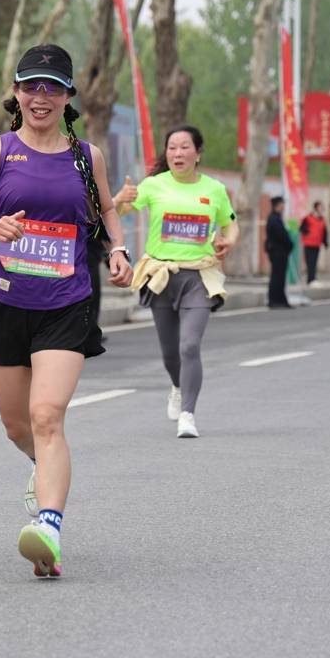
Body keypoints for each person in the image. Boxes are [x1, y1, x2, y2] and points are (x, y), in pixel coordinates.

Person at [0, 44, 131, 578]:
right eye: (31, 86)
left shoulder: (87, 156)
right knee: (17, 426)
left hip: (66, 302)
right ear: (16, 92)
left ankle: (49, 526)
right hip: (4, 300)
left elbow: (104, 211)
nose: (40, 96)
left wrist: (118, 249)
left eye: (52, 87)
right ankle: (44, 470)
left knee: (47, 415)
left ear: (68, 96)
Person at [113, 124, 240, 440]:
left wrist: (229, 241)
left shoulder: (214, 189)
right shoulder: (154, 185)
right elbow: (120, 210)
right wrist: (119, 199)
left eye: (185, 147)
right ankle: (176, 386)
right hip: (161, 276)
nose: (178, 153)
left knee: (189, 345)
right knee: (171, 353)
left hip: (198, 276)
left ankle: (188, 414)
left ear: (198, 153)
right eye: (172, 147)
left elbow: (230, 224)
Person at [265, 195, 292, 308]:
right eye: (282, 204)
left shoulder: (277, 218)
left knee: (280, 277)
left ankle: (280, 300)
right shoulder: (274, 219)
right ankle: (274, 301)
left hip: (280, 251)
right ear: (277, 205)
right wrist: (289, 244)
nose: (283, 206)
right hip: (277, 251)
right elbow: (280, 235)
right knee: (276, 277)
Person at [299, 200, 328, 285]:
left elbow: (324, 232)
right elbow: (302, 228)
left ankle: (313, 279)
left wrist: (325, 242)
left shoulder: (322, 219)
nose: (322, 209)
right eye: (320, 207)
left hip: (317, 244)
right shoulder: (308, 218)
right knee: (309, 262)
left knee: (314, 262)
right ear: (316, 208)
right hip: (308, 243)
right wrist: (307, 232)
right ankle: (310, 279)